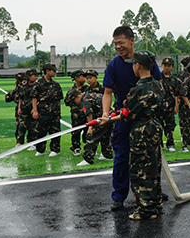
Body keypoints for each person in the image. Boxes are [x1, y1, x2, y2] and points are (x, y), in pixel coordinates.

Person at [101, 26, 162, 211]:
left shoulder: (146, 62)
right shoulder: (114, 66)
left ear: (131, 40)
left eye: (121, 42)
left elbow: (159, 87)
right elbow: (107, 93)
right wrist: (106, 113)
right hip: (123, 118)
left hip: (145, 120)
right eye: (115, 44)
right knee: (121, 157)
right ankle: (119, 195)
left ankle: (153, 193)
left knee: (151, 157)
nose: (118, 46)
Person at [109, 50, 166, 220]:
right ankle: (156, 202)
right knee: (153, 167)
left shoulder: (138, 89)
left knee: (140, 170)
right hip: (155, 127)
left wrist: (109, 118)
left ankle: (146, 210)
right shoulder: (157, 85)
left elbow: (127, 115)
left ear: (138, 65)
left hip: (141, 130)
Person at [68, 87, 114, 166]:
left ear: (78, 96)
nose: (75, 103)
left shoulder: (84, 100)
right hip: (109, 116)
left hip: (102, 117)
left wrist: (90, 127)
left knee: (91, 136)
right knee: (105, 135)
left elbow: (89, 114)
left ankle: (88, 159)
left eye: (74, 100)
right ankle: (107, 154)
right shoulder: (89, 95)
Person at [30, 63, 64, 157]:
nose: (55, 72)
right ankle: (40, 149)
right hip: (43, 111)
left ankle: (55, 149)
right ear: (47, 71)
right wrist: (35, 110)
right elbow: (34, 97)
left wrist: (59, 111)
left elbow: (59, 99)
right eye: (53, 71)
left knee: (55, 131)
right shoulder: (38, 84)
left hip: (54, 111)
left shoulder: (56, 84)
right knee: (40, 131)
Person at [64, 70, 90, 156]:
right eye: (82, 76)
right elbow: (67, 102)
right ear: (76, 78)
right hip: (76, 114)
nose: (84, 78)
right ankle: (76, 148)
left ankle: (89, 148)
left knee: (88, 131)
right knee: (76, 132)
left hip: (87, 114)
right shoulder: (72, 90)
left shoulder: (87, 88)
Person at [160, 57, 181, 152]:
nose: (166, 68)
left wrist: (176, 106)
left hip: (170, 104)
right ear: (162, 65)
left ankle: (170, 144)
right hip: (159, 105)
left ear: (172, 67)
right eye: (165, 65)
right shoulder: (157, 78)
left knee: (170, 126)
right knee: (158, 126)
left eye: (169, 66)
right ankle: (159, 144)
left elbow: (176, 95)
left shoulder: (174, 80)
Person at [18, 68, 40, 150]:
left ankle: (33, 143)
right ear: (29, 76)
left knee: (33, 126)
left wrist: (35, 109)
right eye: (35, 75)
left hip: (33, 109)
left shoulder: (38, 85)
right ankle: (19, 143)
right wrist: (19, 107)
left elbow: (39, 98)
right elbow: (20, 97)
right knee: (21, 126)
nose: (36, 77)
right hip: (24, 108)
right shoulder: (22, 85)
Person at [5, 72, 26, 145]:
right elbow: (7, 97)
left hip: (30, 109)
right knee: (20, 128)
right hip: (20, 111)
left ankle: (33, 144)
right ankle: (19, 143)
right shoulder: (17, 90)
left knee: (32, 128)